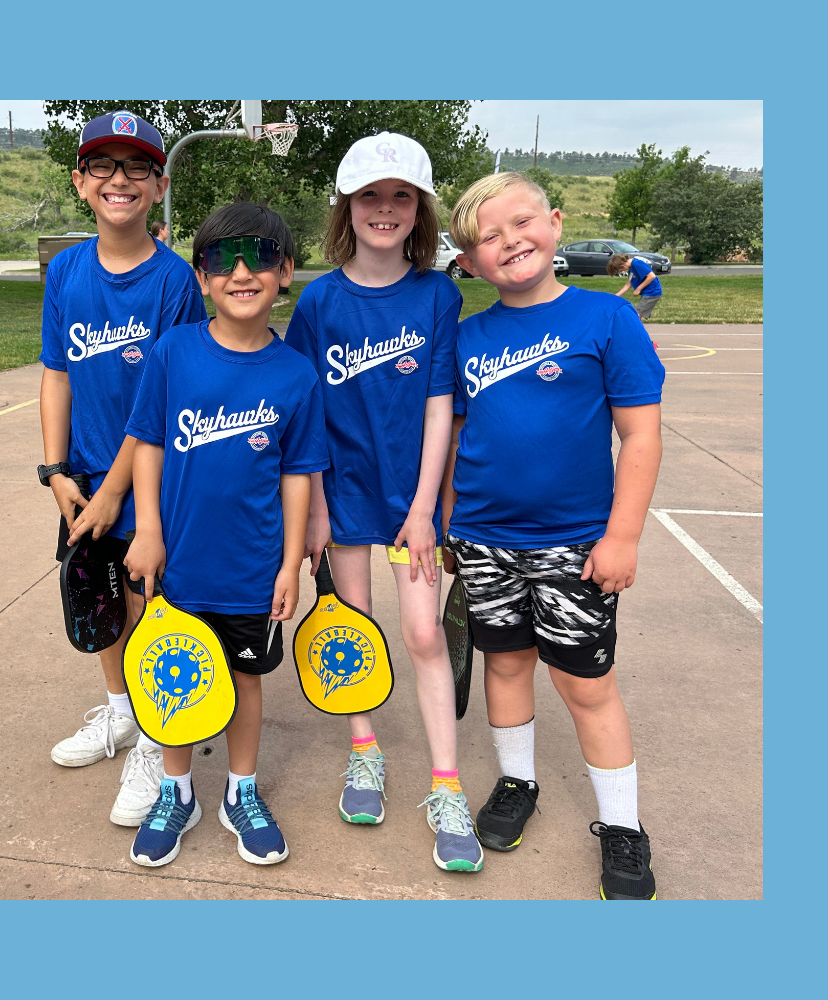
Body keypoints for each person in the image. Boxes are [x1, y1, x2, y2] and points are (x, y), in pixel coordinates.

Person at [443, 172, 665, 899]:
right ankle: (518, 782)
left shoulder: (606, 321)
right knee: (505, 666)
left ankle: (624, 828)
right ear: (469, 262)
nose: (511, 241)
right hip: (483, 539)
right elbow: (458, 436)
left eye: (523, 222)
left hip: (575, 542)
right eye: (488, 236)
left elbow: (639, 435)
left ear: (557, 224)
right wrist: (449, 520)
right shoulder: (467, 336)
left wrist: (622, 535)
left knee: (584, 683)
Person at [285, 132, 484, 873]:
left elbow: (439, 405)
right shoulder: (320, 302)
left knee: (425, 635)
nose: (386, 209)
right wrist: (315, 509)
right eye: (371, 194)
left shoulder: (437, 294)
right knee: (353, 632)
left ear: (420, 208)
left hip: (411, 502)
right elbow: (305, 415)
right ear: (347, 205)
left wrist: (425, 509)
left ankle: (446, 784)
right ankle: (363, 752)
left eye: (402, 195)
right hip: (342, 495)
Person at [123, 203, 328, 867]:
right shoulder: (174, 352)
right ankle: (176, 790)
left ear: (286, 272)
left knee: (243, 679)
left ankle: (241, 790)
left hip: (252, 563)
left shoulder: (296, 374)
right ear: (203, 277)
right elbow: (148, 445)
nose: (242, 272)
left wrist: (291, 562)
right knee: (174, 674)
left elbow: (298, 474)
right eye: (222, 260)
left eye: (260, 257)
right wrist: (148, 529)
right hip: (180, 560)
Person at [38, 110, 207, 829]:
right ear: (80, 183)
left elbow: (167, 402)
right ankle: (119, 715)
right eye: (102, 165)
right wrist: (56, 472)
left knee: (146, 608)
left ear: (158, 183)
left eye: (136, 166)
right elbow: (56, 375)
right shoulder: (68, 271)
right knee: (98, 603)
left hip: (147, 482)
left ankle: (154, 731)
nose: (119, 179)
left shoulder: (173, 282)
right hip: (81, 481)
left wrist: (112, 492)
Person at [608, 252, 662, 322]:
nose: (621, 271)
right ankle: (635, 330)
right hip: (647, 293)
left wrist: (638, 289)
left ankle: (635, 331)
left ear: (622, 266)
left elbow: (651, 276)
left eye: (620, 270)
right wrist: (617, 295)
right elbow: (628, 284)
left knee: (636, 315)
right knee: (637, 314)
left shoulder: (637, 264)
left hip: (652, 292)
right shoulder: (631, 268)